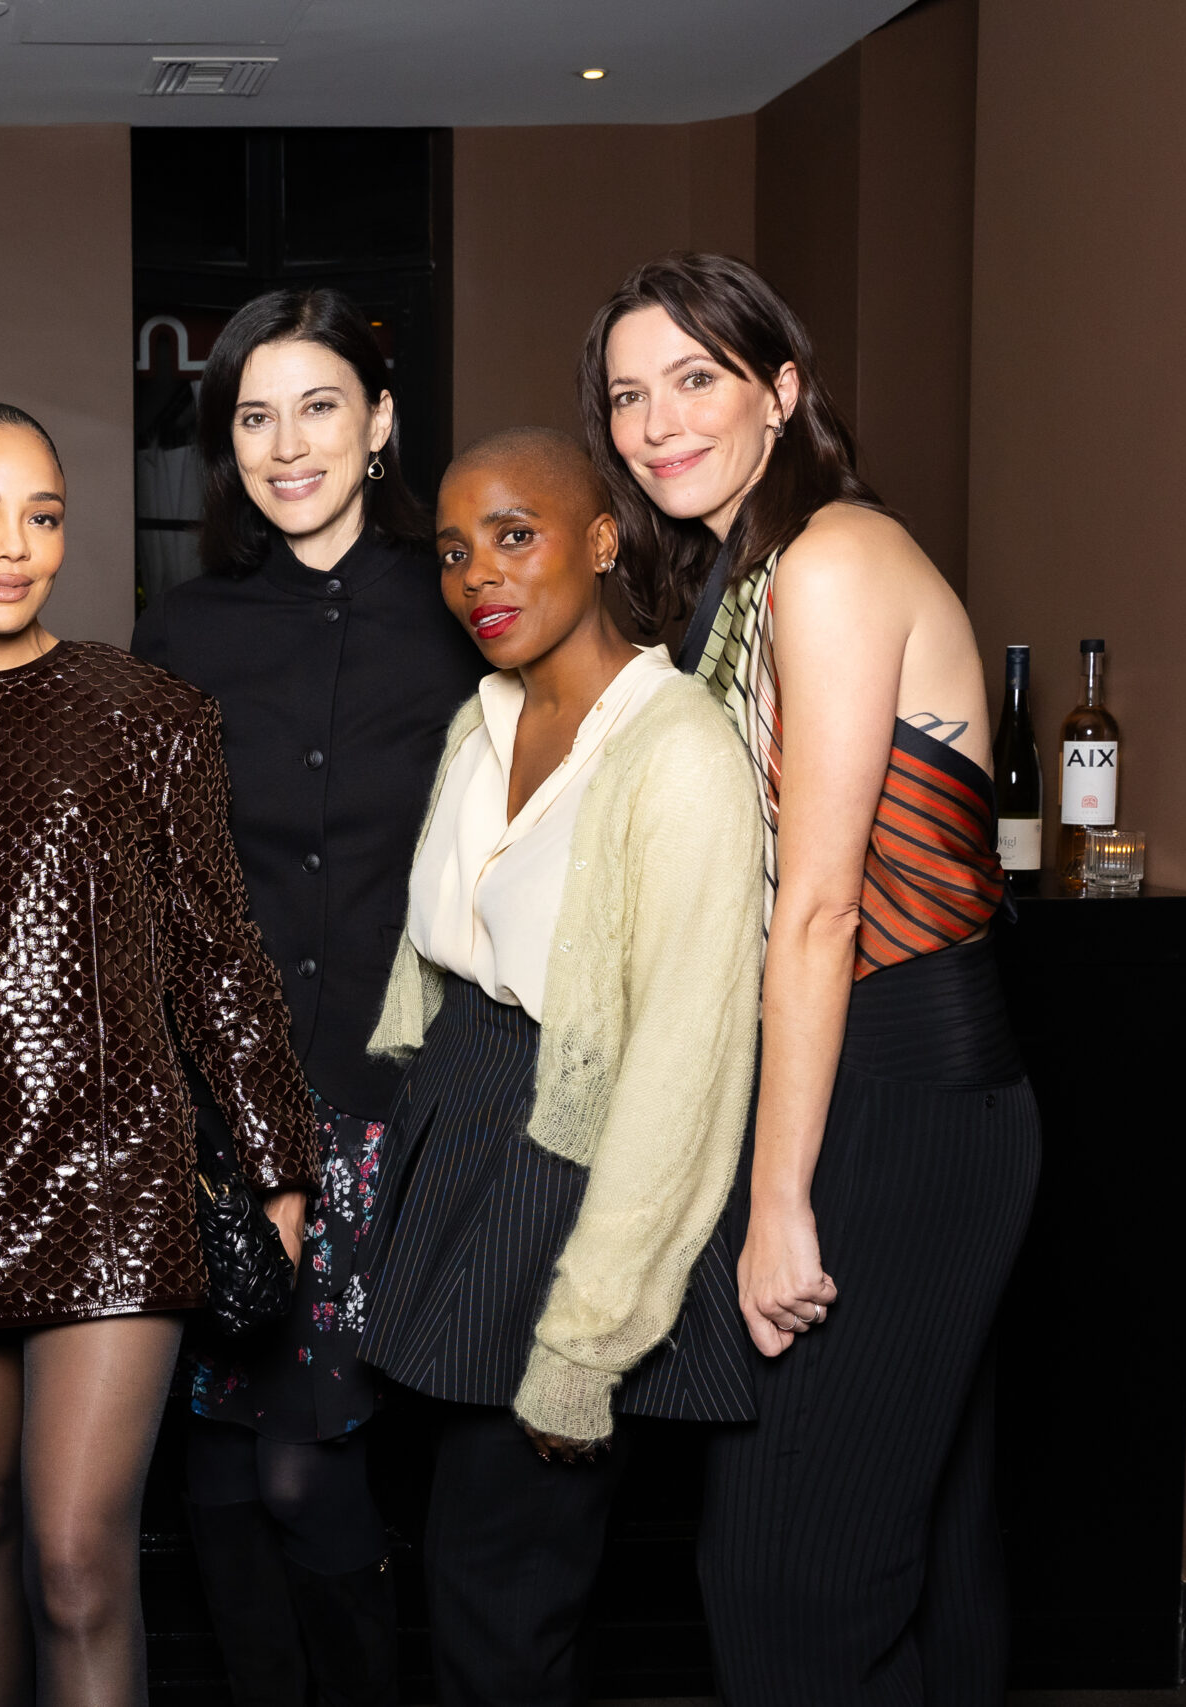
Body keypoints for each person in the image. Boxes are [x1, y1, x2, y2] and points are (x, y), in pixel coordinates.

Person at [584, 252, 1040, 1704]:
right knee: (925, 1562)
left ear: (782, 389)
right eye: (629, 394)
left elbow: (821, 906)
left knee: (789, 1583)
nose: (658, 421)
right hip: (877, 1087)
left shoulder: (833, 558)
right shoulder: (737, 580)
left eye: (696, 379)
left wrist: (780, 1202)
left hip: (893, 1096)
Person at [0, 401, 315, 1706]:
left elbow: (218, 952)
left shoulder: (147, 712)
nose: (14, 547)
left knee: (74, 1556)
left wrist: (279, 1173)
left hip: (114, 1179)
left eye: (43, 516)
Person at [356, 427, 765, 1707]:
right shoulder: (479, 723)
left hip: (568, 1171)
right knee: (471, 1587)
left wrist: (587, 1342)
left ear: (600, 541)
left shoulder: (676, 749)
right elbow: (434, 975)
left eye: (515, 535)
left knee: (506, 1595)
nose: (479, 573)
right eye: (452, 550)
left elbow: (683, 1071)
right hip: (457, 1148)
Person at [132, 286, 481, 1705]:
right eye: (255, 415)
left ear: (382, 421)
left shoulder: (465, 606)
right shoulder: (186, 627)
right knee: (225, 1454)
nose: (287, 444)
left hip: (404, 1102)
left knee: (303, 1450)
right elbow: (147, 869)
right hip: (227, 1106)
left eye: (320, 405)